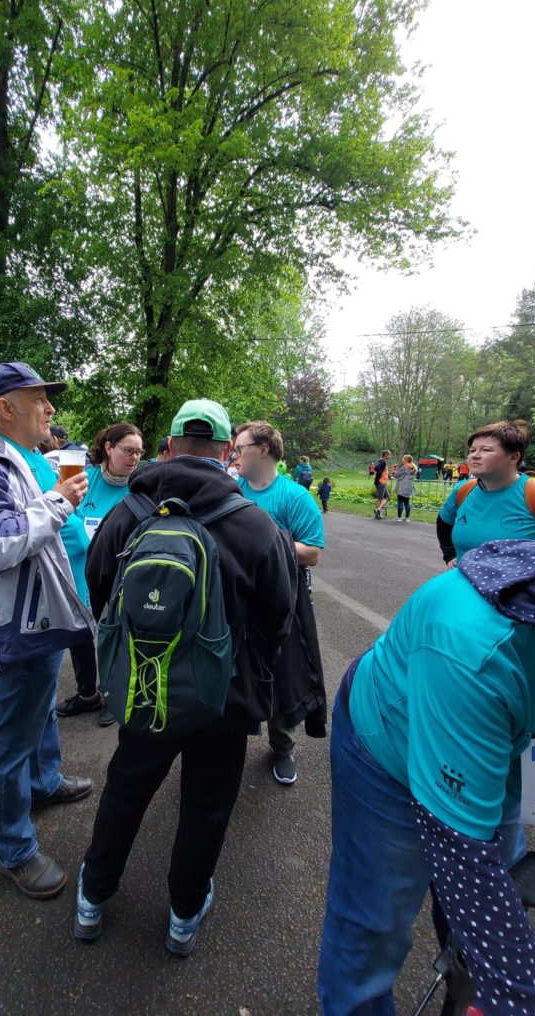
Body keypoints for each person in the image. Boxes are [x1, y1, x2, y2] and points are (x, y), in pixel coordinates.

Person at [72, 399, 294, 954]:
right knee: (207, 805)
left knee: (126, 789)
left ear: (168, 446)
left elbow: (101, 590)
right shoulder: (255, 522)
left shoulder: (130, 512)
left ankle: (92, 899)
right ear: (226, 453)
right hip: (224, 696)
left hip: (147, 684)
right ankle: (183, 915)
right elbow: (278, 616)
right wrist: (249, 675)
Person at [317, 539, 535, 1015]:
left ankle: (466, 980)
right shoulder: (473, 643)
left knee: (495, 898)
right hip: (391, 752)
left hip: (501, 746)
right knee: (374, 925)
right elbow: (462, 854)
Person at [0, 362, 95, 900]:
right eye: (40, 399)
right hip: (15, 622)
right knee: (13, 736)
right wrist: (60, 503)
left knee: (40, 704)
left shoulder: (24, 458)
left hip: (40, 614)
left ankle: (46, 781)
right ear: (6, 407)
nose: (51, 409)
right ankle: (13, 847)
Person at [233, 420, 326, 787]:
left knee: (280, 675)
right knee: (237, 673)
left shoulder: (295, 497)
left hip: (280, 601)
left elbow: (312, 553)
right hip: (236, 601)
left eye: (241, 447)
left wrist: (264, 545)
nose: (235, 453)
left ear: (264, 449)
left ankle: (282, 747)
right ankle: (231, 743)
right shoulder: (232, 490)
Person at [56, 422, 144, 727]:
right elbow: (64, 515)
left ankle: (114, 694)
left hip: (124, 576)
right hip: (84, 572)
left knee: (120, 634)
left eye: (139, 452)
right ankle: (88, 693)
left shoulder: (142, 485)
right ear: (109, 448)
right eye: (128, 450)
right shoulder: (83, 479)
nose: (134, 458)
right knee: (79, 632)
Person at [437, 421, 535, 569]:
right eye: (472, 450)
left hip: (522, 590)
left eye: (486, 450)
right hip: (465, 587)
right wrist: (449, 555)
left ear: (514, 457)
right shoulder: (463, 490)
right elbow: (443, 524)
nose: (475, 456)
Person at [391, 454, 417, 522]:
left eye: (403, 458)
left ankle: (399, 517)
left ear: (406, 460)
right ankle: (407, 518)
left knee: (400, 501)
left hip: (402, 486)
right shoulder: (413, 467)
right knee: (407, 502)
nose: (402, 459)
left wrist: (394, 470)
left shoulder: (404, 467)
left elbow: (396, 475)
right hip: (409, 487)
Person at [373, 450, 391, 519]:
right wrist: (380, 475)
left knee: (387, 497)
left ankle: (378, 510)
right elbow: (376, 467)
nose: (390, 456)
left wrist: (389, 476)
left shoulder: (382, 461)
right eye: (389, 455)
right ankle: (378, 510)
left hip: (382, 482)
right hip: (381, 482)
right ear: (386, 455)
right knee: (380, 498)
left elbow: (384, 471)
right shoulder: (383, 461)